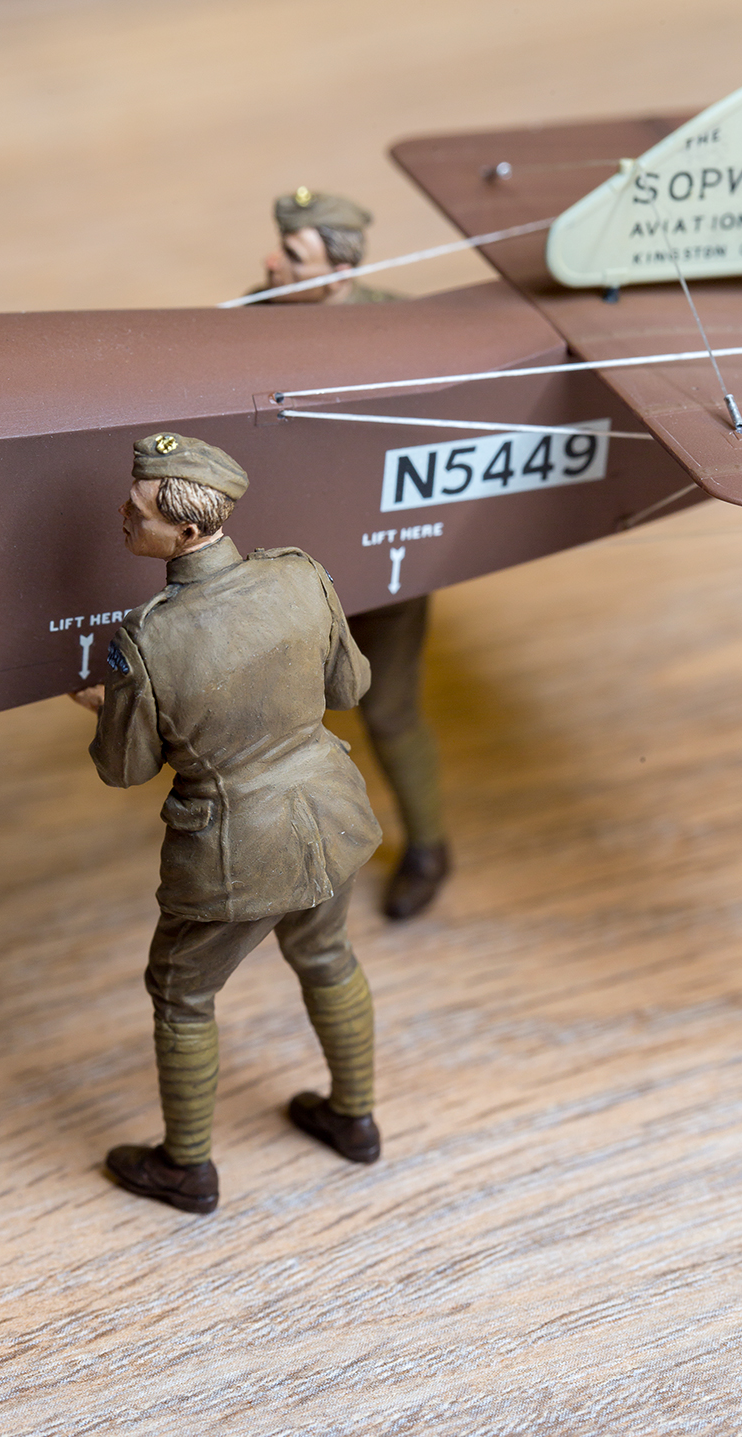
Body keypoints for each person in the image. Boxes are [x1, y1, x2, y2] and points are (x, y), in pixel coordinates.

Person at [77, 432, 384, 1216]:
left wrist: (114, 708)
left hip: (234, 851)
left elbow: (125, 769)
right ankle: (354, 1118)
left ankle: (186, 1167)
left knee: (180, 992)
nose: (125, 515)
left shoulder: (149, 637)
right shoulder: (301, 575)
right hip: (329, 814)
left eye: (139, 510)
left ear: (187, 531)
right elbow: (349, 686)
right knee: (327, 955)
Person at [250, 187, 451, 920]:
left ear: (340, 274)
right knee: (272, 720)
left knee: (390, 711)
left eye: (292, 255)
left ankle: (429, 847)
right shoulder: (247, 323)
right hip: (286, 566)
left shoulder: (401, 330)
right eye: (280, 247)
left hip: (381, 556)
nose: (271, 262)